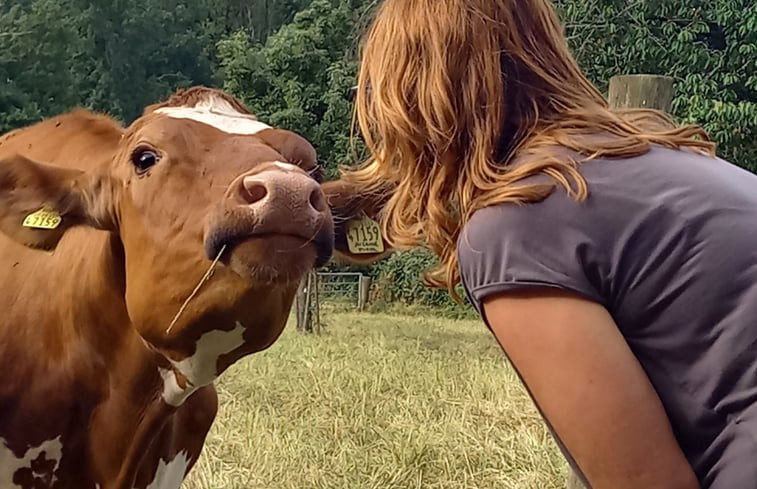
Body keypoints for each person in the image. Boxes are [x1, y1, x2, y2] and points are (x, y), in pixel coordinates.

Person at [335, 0, 757, 488]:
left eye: (371, 92)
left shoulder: (518, 223)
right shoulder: (668, 159)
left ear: (411, 96)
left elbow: (648, 482)